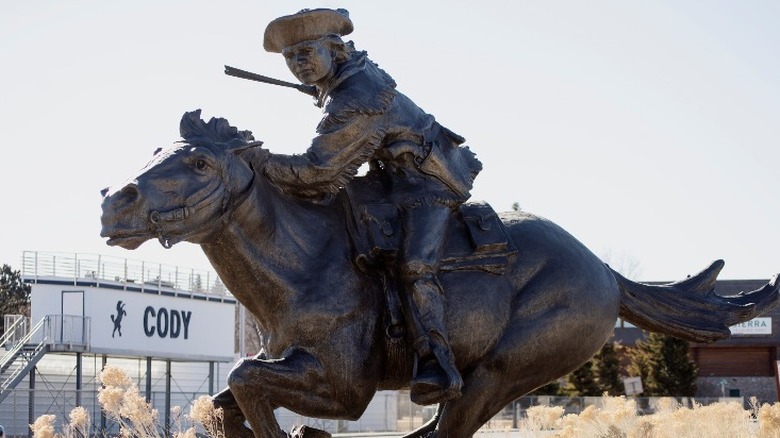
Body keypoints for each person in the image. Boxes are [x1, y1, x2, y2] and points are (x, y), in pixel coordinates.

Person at [260, 8, 482, 405]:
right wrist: (322, 88)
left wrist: (257, 162)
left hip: (428, 182)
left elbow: (320, 170)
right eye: (291, 58)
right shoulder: (348, 79)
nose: (299, 64)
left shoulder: (356, 99)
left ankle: (437, 360)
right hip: (390, 180)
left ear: (334, 48)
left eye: (307, 52)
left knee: (415, 265)